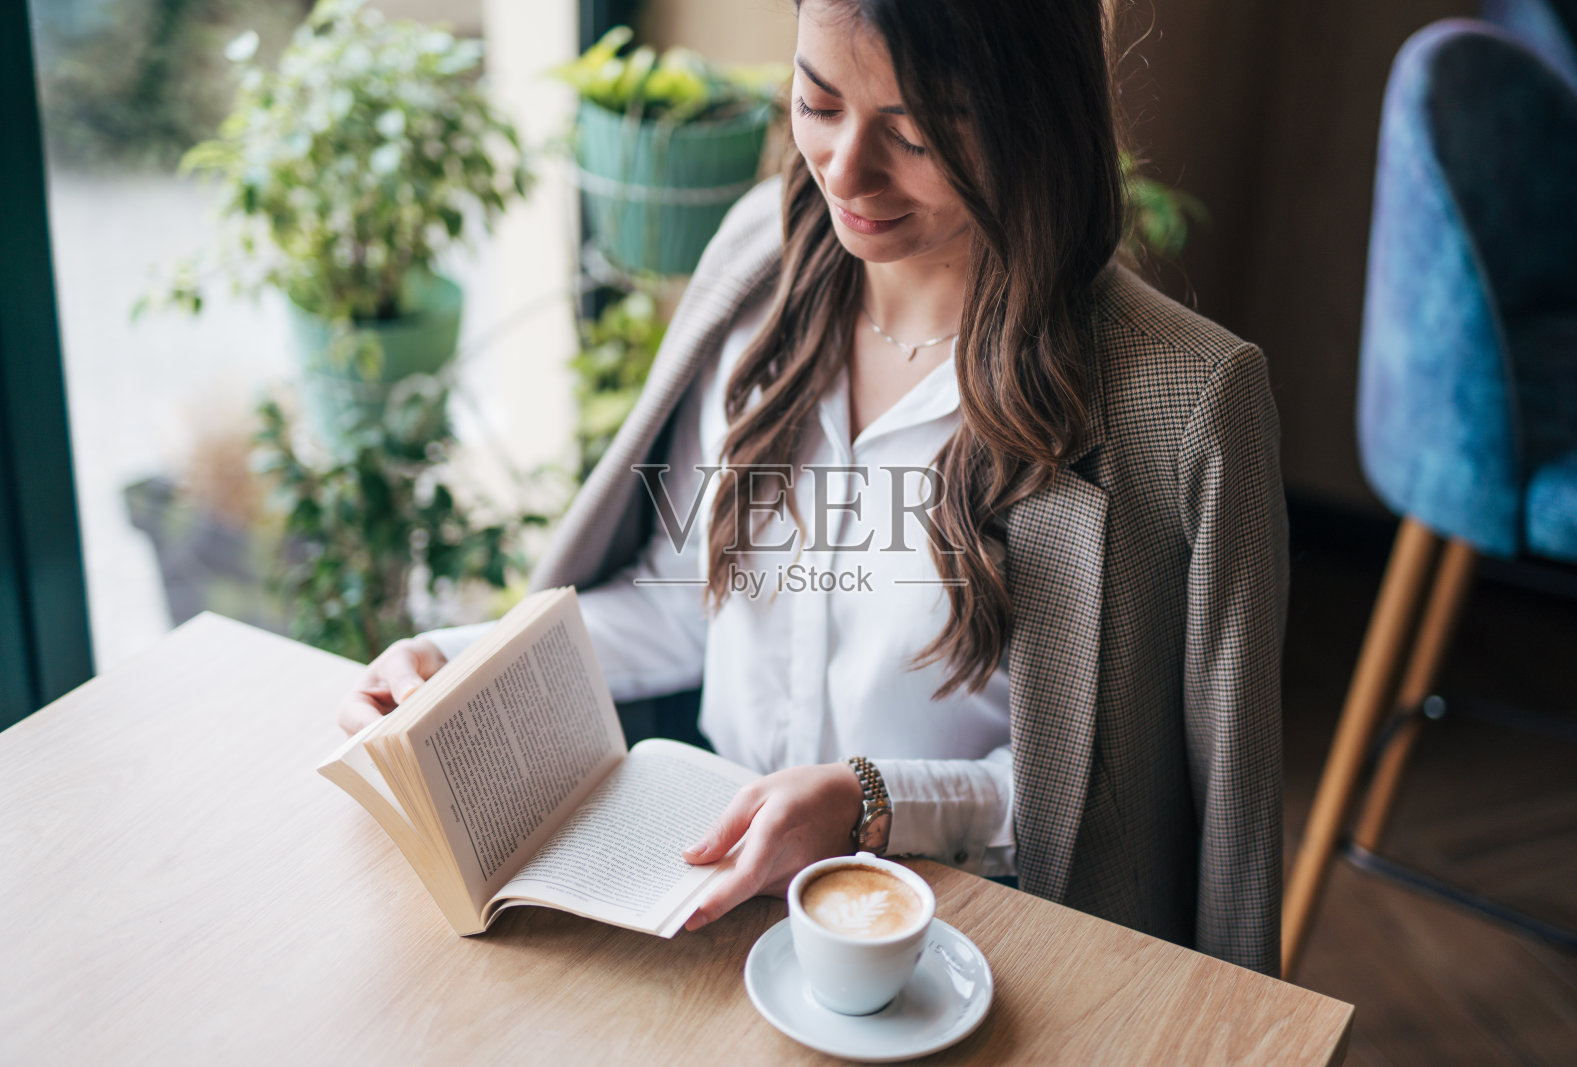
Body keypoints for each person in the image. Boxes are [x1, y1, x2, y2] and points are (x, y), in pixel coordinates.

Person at [335, 0, 1289, 975]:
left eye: (915, 134)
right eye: (816, 102)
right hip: (712, 897)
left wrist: (870, 800)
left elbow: (1151, 807)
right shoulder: (761, 261)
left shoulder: (1182, 399)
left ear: (1032, 116)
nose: (844, 171)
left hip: (986, 946)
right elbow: (688, 604)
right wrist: (465, 665)